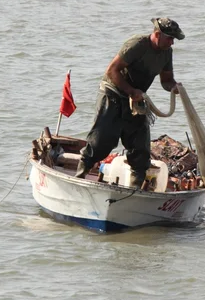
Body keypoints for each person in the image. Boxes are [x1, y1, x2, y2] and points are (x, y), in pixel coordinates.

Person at [75, 17, 185, 187]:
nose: (172, 43)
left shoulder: (166, 53)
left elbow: (166, 80)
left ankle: (135, 189)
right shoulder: (137, 45)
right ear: (157, 34)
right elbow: (112, 71)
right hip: (113, 94)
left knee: (140, 148)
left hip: (137, 99)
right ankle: (80, 177)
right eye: (170, 38)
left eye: (173, 40)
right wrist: (131, 91)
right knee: (101, 141)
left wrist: (174, 87)